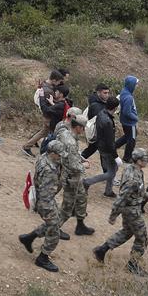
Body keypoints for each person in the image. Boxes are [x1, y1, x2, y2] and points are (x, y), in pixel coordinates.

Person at [93, 147, 148, 275]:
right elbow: (121, 198)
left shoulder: (135, 170)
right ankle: (132, 265)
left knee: (127, 232)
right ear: (138, 161)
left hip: (133, 208)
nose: (147, 162)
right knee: (142, 238)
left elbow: (140, 188)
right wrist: (113, 215)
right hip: (132, 211)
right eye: (145, 160)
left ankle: (102, 250)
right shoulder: (132, 178)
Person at [18, 140, 65, 272]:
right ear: (53, 154)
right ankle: (42, 258)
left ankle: (29, 238)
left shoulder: (43, 157)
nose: (61, 157)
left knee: (54, 222)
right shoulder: (49, 170)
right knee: (55, 229)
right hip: (46, 201)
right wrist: (47, 208)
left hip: (44, 198)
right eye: (59, 155)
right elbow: (46, 193)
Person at [54, 112, 93, 237]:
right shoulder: (70, 141)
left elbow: (71, 154)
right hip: (71, 177)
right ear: (78, 127)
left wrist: (81, 158)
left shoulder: (65, 134)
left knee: (81, 198)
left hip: (73, 176)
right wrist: (84, 166)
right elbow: (72, 165)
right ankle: (54, 229)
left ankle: (80, 225)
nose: (83, 131)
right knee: (67, 207)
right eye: (83, 128)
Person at [83, 96, 120, 197]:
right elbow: (110, 141)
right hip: (106, 149)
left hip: (101, 146)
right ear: (115, 108)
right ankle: (87, 182)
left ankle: (108, 190)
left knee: (113, 169)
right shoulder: (107, 121)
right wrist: (116, 156)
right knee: (111, 173)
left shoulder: (102, 113)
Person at [81, 84, 111, 159]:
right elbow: (98, 120)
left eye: (108, 93)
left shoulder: (102, 103)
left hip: (98, 132)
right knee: (94, 148)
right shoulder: (96, 106)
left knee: (93, 148)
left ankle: (80, 158)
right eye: (105, 93)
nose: (107, 95)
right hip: (96, 131)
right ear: (98, 93)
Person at [115, 75, 139, 163]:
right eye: (135, 84)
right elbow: (127, 112)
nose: (137, 86)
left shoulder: (124, 92)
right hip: (130, 122)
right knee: (132, 139)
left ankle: (114, 146)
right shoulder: (129, 97)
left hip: (124, 121)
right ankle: (127, 157)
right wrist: (136, 118)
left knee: (127, 136)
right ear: (131, 85)